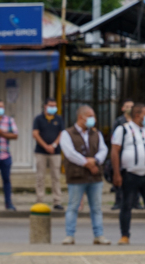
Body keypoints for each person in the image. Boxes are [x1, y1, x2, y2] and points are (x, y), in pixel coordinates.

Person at [111, 102, 145, 245]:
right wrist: (116, 173)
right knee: (126, 205)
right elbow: (115, 151)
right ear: (137, 115)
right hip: (130, 174)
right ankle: (125, 236)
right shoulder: (123, 130)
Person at [58, 105, 110, 245]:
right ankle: (70, 235)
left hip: (95, 177)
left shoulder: (96, 133)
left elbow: (103, 150)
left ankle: (99, 235)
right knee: (73, 206)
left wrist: (96, 160)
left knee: (96, 208)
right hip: (76, 177)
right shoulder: (67, 134)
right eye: (91, 116)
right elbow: (69, 153)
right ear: (81, 117)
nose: (94, 119)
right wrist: (87, 163)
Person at [32, 97, 64, 210]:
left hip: (55, 152)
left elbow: (62, 134)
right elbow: (35, 134)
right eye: (50, 106)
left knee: (56, 177)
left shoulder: (59, 119)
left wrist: (53, 145)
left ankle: (57, 201)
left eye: (54, 106)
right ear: (45, 106)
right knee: (40, 176)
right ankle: (39, 200)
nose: (52, 108)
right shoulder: (38, 119)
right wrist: (45, 146)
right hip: (41, 152)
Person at [110, 100, 134, 211]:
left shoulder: (137, 121)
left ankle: (136, 202)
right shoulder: (119, 122)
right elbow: (113, 137)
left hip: (134, 154)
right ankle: (118, 201)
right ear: (122, 108)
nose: (129, 108)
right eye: (127, 106)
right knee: (119, 178)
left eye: (131, 106)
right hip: (121, 152)